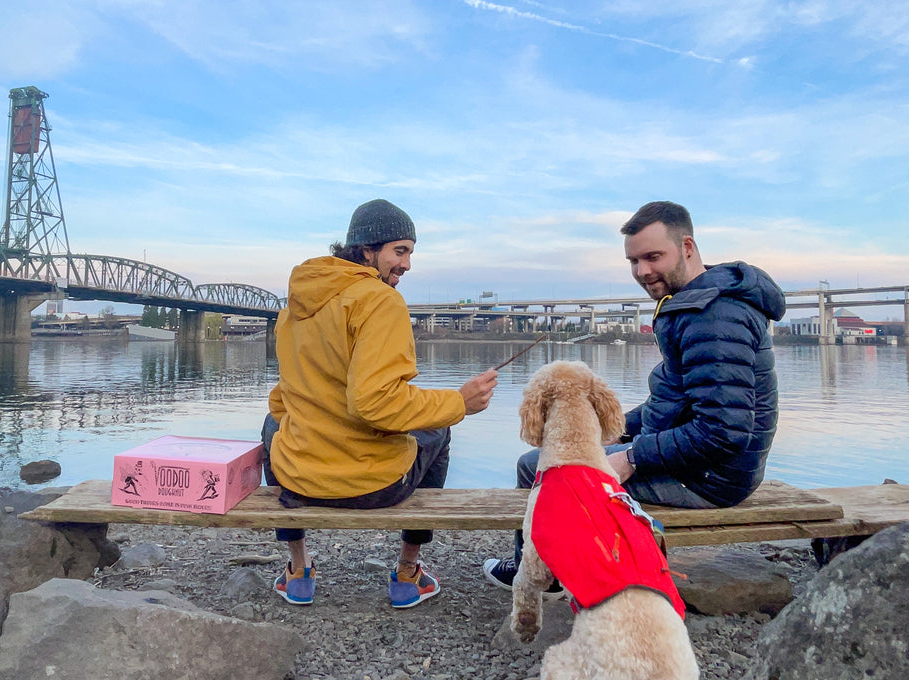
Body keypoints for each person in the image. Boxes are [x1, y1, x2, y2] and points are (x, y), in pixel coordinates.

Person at [482, 200, 785, 591]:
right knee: (539, 459)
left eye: (653, 257)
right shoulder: (692, 305)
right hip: (695, 462)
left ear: (688, 247)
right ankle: (560, 564)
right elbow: (671, 402)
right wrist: (610, 430)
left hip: (711, 478)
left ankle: (546, 575)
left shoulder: (715, 316)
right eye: (634, 261)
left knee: (544, 468)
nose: (643, 271)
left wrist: (632, 457)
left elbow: (723, 431)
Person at [263, 198, 498, 609]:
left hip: (298, 483)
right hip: (371, 488)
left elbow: (284, 400)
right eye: (400, 251)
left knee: (273, 423)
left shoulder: (294, 307)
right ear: (367, 251)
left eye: (410, 252)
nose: (407, 264)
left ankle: (298, 570)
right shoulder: (380, 300)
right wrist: (458, 402)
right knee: (439, 425)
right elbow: (374, 404)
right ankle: (408, 572)